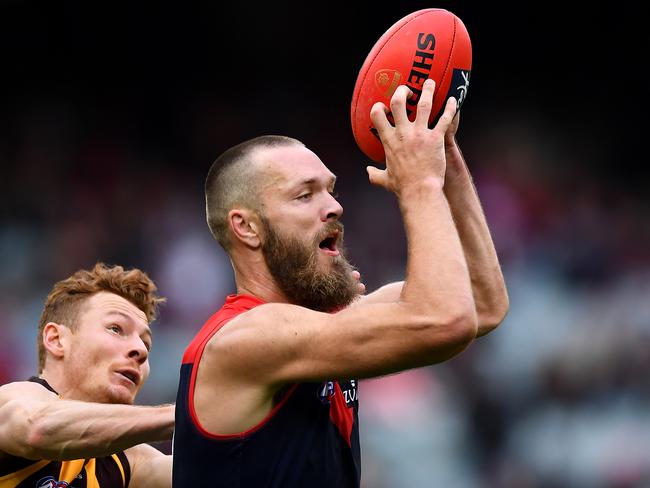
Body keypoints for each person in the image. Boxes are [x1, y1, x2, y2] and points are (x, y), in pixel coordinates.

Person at [172, 79, 509, 487]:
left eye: (329, 190)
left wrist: (447, 162)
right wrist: (421, 184)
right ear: (246, 227)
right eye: (304, 196)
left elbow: (481, 303)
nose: (334, 206)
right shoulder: (245, 337)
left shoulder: (316, 327)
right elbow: (446, 321)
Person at [0, 263, 174, 487]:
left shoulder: (130, 462)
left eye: (146, 344)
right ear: (56, 339)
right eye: (115, 328)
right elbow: (39, 429)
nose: (140, 350)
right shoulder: (12, 399)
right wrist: (182, 415)